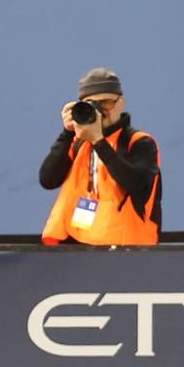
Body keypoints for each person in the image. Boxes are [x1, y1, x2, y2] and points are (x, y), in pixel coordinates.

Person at [40, 67, 162, 245]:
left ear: (121, 103)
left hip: (124, 249)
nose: (100, 111)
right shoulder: (77, 142)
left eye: (106, 103)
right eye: (91, 104)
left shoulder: (139, 142)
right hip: (75, 244)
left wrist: (98, 141)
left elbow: (138, 185)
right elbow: (47, 180)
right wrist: (66, 133)